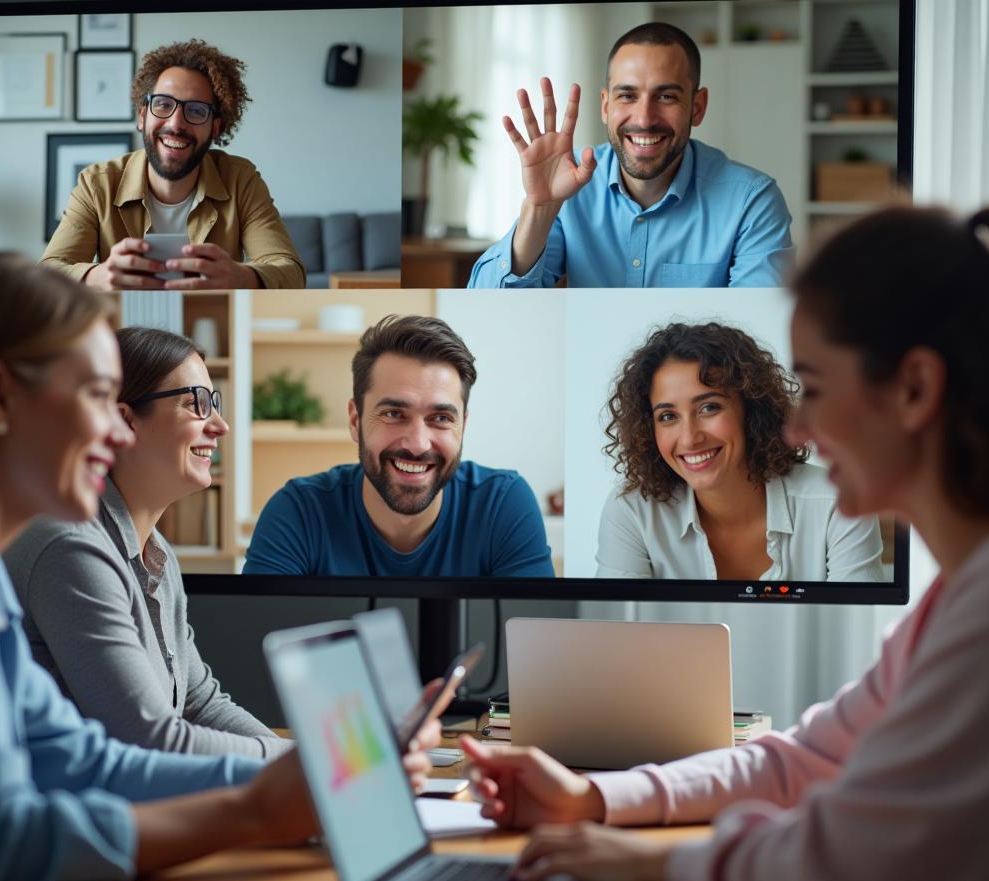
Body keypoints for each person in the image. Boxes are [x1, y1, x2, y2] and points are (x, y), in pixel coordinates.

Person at [464, 204, 989, 881]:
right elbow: (804, 758)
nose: (796, 429)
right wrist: (595, 797)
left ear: (915, 389)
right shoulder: (985, 587)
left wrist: (659, 863)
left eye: (815, 388)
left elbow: (865, 869)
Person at [0, 255, 435, 881]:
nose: (119, 430)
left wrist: (313, 773)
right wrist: (258, 806)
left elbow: (81, 761)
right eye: (100, 397)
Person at [3, 327, 287, 758]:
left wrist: (297, 758)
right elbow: (149, 737)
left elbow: (198, 701)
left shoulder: (156, 554)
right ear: (124, 420)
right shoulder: (68, 546)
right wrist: (293, 763)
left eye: (215, 403)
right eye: (196, 403)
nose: (220, 425)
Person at [468, 22, 793, 289]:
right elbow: (487, 303)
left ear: (697, 107)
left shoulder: (752, 200)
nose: (644, 118)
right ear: (606, 106)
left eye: (666, 96)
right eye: (627, 95)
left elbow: (757, 328)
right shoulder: (569, 185)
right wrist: (538, 210)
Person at [244, 314, 554, 577]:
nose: (418, 444)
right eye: (394, 414)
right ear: (355, 420)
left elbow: (537, 642)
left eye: (441, 418)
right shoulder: (297, 513)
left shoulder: (502, 505)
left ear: (463, 427)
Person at [596, 321, 885, 581]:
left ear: (752, 410)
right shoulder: (632, 511)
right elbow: (615, 630)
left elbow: (855, 629)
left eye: (709, 408)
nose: (689, 438)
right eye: (668, 417)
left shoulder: (839, 502)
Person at [41, 40, 305, 290]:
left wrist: (241, 276)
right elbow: (48, 273)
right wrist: (97, 276)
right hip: (126, 333)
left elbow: (290, 272)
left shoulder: (241, 180)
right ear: (142, 116)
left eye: (196, 111)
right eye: (163, 105)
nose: (176, 124)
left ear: (215, 127)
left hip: (210, 329)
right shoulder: (97, 183)